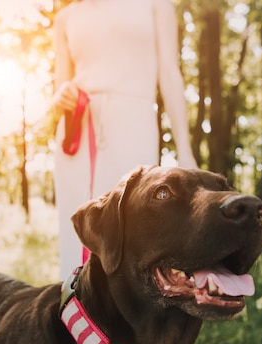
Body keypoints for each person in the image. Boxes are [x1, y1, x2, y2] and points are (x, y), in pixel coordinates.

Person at [52, 0, 197, 280]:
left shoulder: (156, 5)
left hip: (135, 123)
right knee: (75, 233)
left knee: (133, 224)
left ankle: (129, 317)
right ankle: (73, 310)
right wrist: (63, 94)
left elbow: (170, 73)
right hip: (77, 131)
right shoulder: (65, 18)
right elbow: (61, 84)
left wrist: (185, 150)